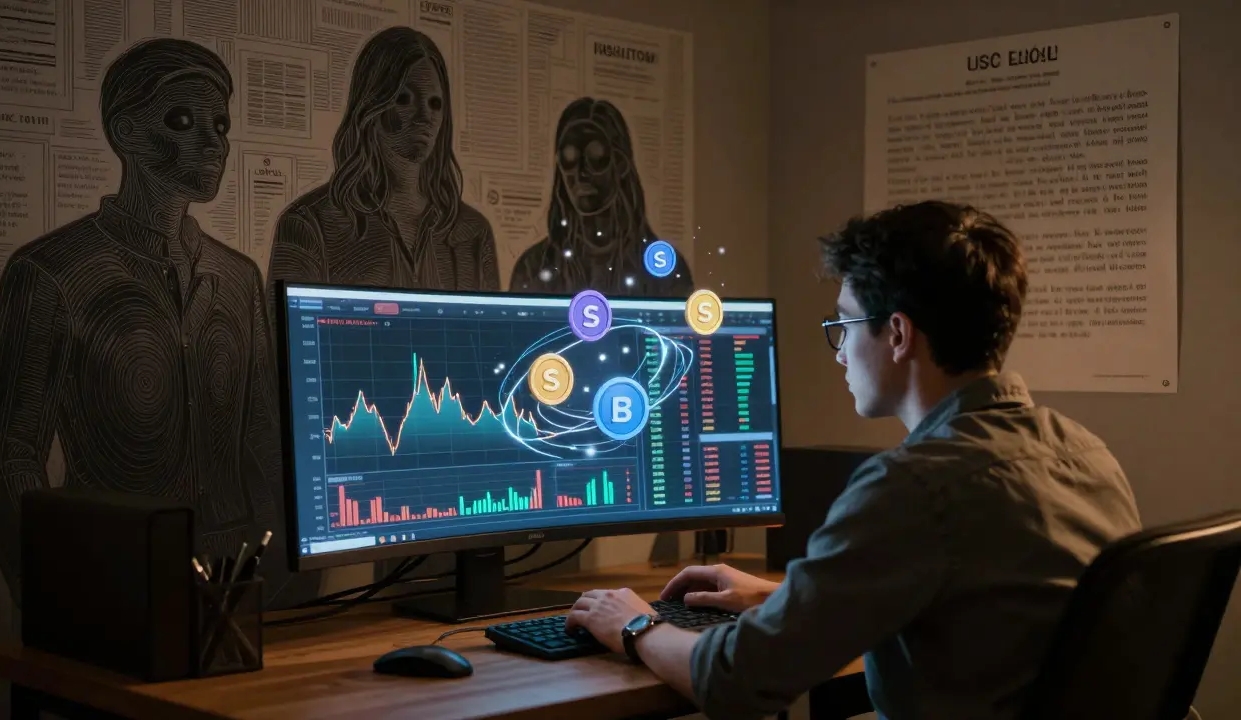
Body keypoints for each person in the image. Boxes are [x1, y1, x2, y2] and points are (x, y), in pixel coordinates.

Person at [563, 200, 1142, 719]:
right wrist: (783, 599)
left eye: (843, 324)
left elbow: (737, 682)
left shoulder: (914, 486)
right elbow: (979, 610)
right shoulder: (1084, 453)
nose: (839, 351)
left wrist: (634, 625)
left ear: (897, 334)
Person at [0, 38, 310, 609]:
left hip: (241, 578)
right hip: (114, 574)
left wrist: (286, 571)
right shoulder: (50, 272)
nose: (212, 141)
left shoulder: (237, 276)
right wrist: (57, 592)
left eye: (220, 125)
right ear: (126, 133)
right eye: (181, 120)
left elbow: (263, 436)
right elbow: (3, 457)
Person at [267, 26, 498, 297]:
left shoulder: (472, 232)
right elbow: (280, 337)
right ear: (372, 105)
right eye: (404, 99)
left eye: (435, 103)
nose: (425, 116)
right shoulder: (308, 225)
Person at [508, 97, 693, 296]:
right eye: (569, 159)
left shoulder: (666, 270)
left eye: (595, 157)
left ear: (621, 163)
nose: (580, 173)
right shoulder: (533, 268)